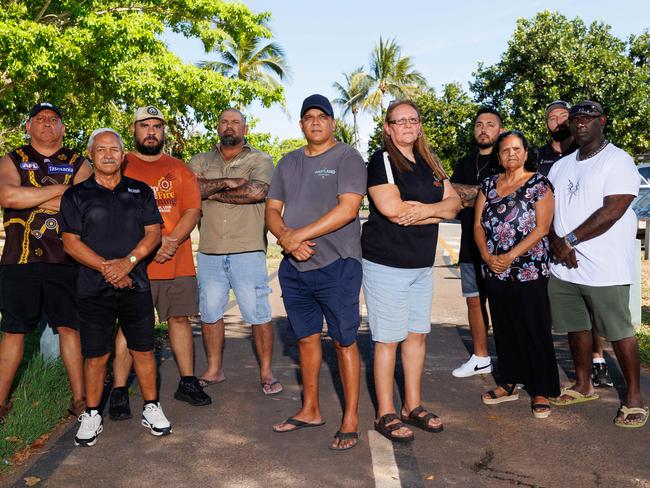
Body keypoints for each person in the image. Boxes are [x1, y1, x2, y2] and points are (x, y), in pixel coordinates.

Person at [266, 94, 366, 451]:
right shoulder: (288, 162)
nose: (315, 122)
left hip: (338, 264)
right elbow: (273, 209)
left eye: (322, 116)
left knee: (344, 341)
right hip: (295, 269)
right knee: (306, 339)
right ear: (301, 124)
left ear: (333, 123)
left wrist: (296, 236)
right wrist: (286, 240)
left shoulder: (347, 157)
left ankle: (350, 418)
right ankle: (310, 409)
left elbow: (348, 209)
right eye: (308, 117)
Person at [60, 128, 172, 446]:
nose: (108, 154)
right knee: (96, 354)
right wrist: (109, 269)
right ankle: (92, 414)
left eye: (114, 149)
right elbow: (70, 242)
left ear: (123, 156)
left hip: (135, 285)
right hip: (93, 288)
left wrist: (129, 261)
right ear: (91, 155)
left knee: (144, 350)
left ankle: (152, 407)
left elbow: (153, 233)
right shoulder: (76, 195)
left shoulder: (140, 191)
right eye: (101, 149)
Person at [362, 100, 460, 442]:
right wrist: (437, 213)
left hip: (421, 264)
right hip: (387, 264)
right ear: (388, 127)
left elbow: (455, 204)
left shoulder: (430, 161)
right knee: (387, 340)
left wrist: (425, 211)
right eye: (398, 121)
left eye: (412, 120)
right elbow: (391, 208)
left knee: (417, 335)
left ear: (419, 126)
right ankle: (385, 413)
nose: (406, 125)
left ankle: (412, 406)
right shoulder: (384, 160)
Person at [547, 101, 648, 428]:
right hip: (565, 265)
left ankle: (633, 396)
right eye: (576, 119)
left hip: (604, 265)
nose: (580, 124)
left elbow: (614, 209)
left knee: (618, 331)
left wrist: (570, 240)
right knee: (577, 327)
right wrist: (555, 242)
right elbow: (546, 208)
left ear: (602, 121)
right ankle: (583, 384)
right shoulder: (561, 166)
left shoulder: (618, 160)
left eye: (588, 119)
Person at [109, 106, 208, 422]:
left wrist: (171, 241)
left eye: (157, 126)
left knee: (180, 320)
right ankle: (120, 390)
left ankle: (187, 381)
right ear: (134, 130)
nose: (151, 131)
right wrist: (146, 247)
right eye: (145, 126)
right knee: (129, 326)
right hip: (134, 265)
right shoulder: (120, 166)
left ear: (163, 131)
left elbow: (192, 210)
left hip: (175, 262)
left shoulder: (179, 168)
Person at [0, 102, 92, 424]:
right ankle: (1, 403)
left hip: (66, 258)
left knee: (70, 328)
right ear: (29, 126)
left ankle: (80, 400)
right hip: (19, 258)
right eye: (40, 119)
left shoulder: (79, 162)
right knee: (13, 330)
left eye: (54, 120)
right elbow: (8, 198)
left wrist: (32, 194)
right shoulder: (11, 159)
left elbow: (82, 205)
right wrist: (62, 192)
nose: (47, 124)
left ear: (63, 128)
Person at [188, 108, 281, 395]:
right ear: (217, 126)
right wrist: (230, 183)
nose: (229, 127)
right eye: (224, 121)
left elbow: (256, 192)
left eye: (235, 122)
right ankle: (214, 370)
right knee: (210, 313)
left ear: (245, 128)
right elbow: (191, 191)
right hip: (210, 251)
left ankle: (266, 372)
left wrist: (210, 190)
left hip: (247, 249)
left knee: (258, 314)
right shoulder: (200, 160)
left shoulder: (260, 158)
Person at [474, 130, 560, 418]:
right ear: (499, 155)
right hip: (495, 270)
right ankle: (509, 382)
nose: (511, 154)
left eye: (516, 149)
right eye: (505, 150)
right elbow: (477, 225)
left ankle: (541, 389)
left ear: (526, 152)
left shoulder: (538, 183)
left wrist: (510, 256)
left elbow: (542, 228)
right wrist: (488, 256)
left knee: (534, 328)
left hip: (529, 269)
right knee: (505, 326)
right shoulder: (488, 184)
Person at [537, 100, 612, 388]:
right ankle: (547, 362)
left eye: (562, 116)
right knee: (554, 305)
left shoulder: (586, 151)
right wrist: (555, 240)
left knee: (591, 307)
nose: (557, 121)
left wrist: (570, 241)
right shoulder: (538, 155)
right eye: (551, 116)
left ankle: (598, 360)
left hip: (583, 241)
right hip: (549, 238)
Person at [449, 108, 503, 377]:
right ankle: (481, 357)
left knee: (503, 302)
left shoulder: (506, 159)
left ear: (500, 130)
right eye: (479, 124)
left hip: (502, 247)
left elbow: (506, 196)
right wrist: (485, 194)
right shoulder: (464, 162)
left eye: (490, 124)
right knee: (474, 302)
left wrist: (472, 195)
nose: (484, 129)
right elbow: (454, 198)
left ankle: (509, 358)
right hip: (469, 245)